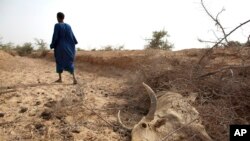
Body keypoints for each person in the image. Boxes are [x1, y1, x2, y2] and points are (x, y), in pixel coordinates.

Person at [50, 12, 78, 84]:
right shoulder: (68, 26)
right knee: (69, 62)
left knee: (59, 61)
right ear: (63, 17)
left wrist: (52, 45)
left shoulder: (57, 25)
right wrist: (75, 42)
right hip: (69, 47)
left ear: (58, 17)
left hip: (60, 47)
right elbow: (72, 35)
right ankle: (74, 79)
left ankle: (60, 78)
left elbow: (55, 36)